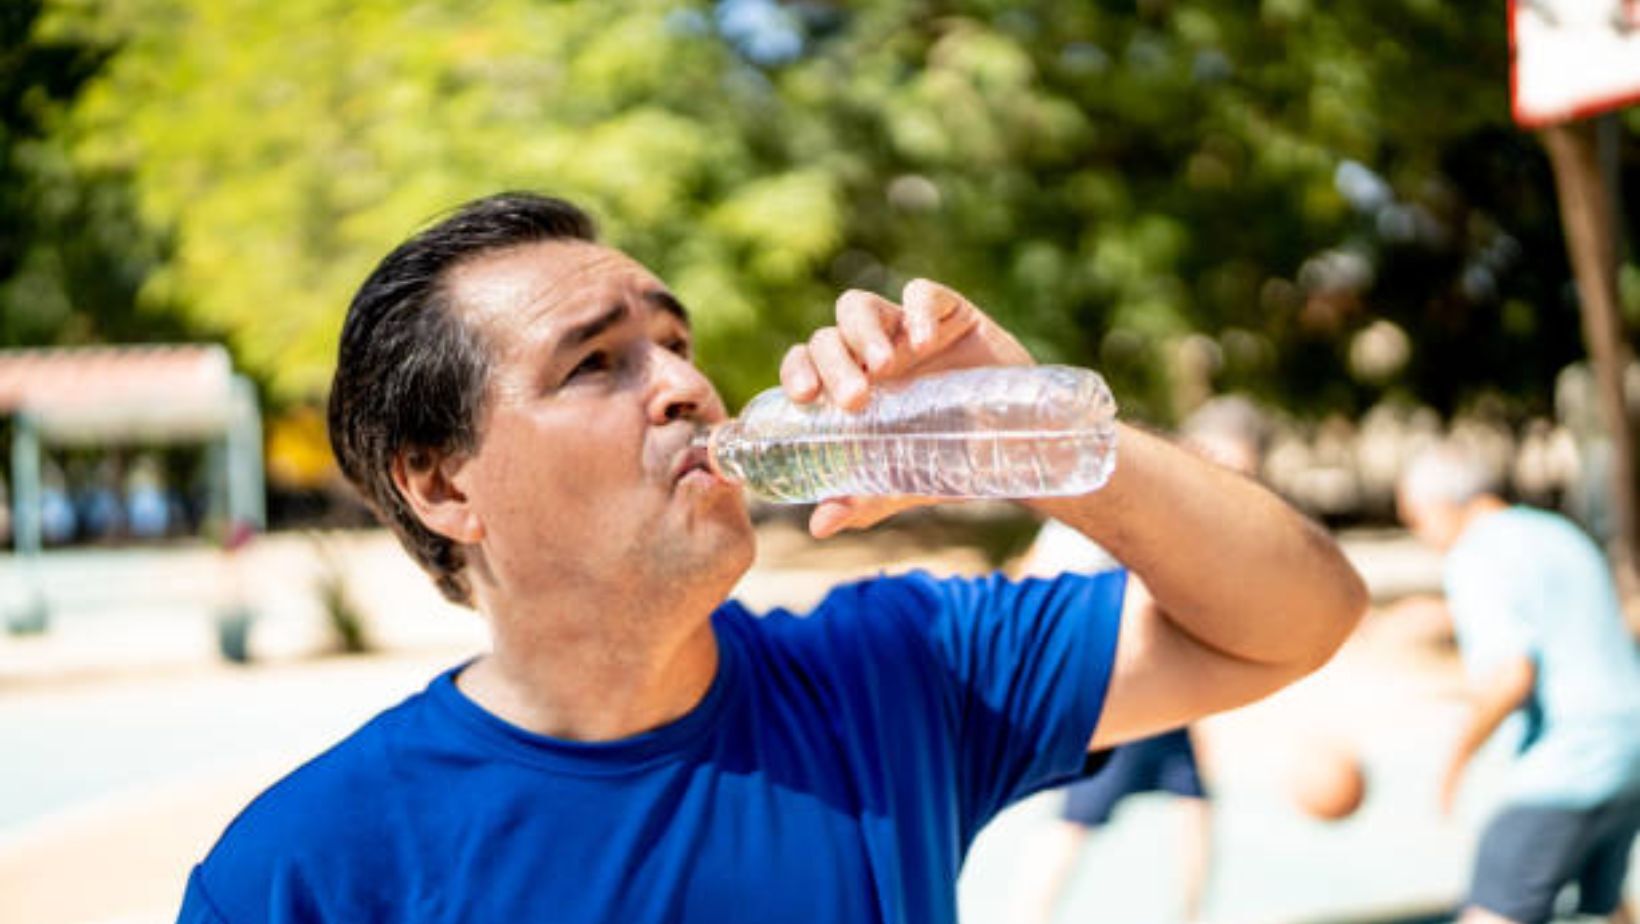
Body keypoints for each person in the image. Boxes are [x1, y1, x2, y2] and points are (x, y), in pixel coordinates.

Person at [178, 192, 1366, 923]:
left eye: (675, 342)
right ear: (442, 484)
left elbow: (1299, 615)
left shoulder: (895, 674)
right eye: (597, 363)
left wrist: (1040, 434)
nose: (687, 386)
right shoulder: (309, 874)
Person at [1021, 396, 1269, 924]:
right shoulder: (1132, 507)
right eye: (1227, 465)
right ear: (1192, 448)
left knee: (1194, 805)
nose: (1233, 479)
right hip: (1115, 683)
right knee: (1078, 819)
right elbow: (1041, 587)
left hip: (1154, 686)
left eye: (1245, 473)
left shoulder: (1193, 517)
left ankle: (1191, 913)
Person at [1397, 442, 1640, 924]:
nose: (1422, 534)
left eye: (1416, 519)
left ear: (1443, 506)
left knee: (1493, 910)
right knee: (1605, 907)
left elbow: (1512, 676)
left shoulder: (1475, 554)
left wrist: (1457, 759)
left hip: (1568, 764)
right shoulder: (1559, 533)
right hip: (1630, 755)